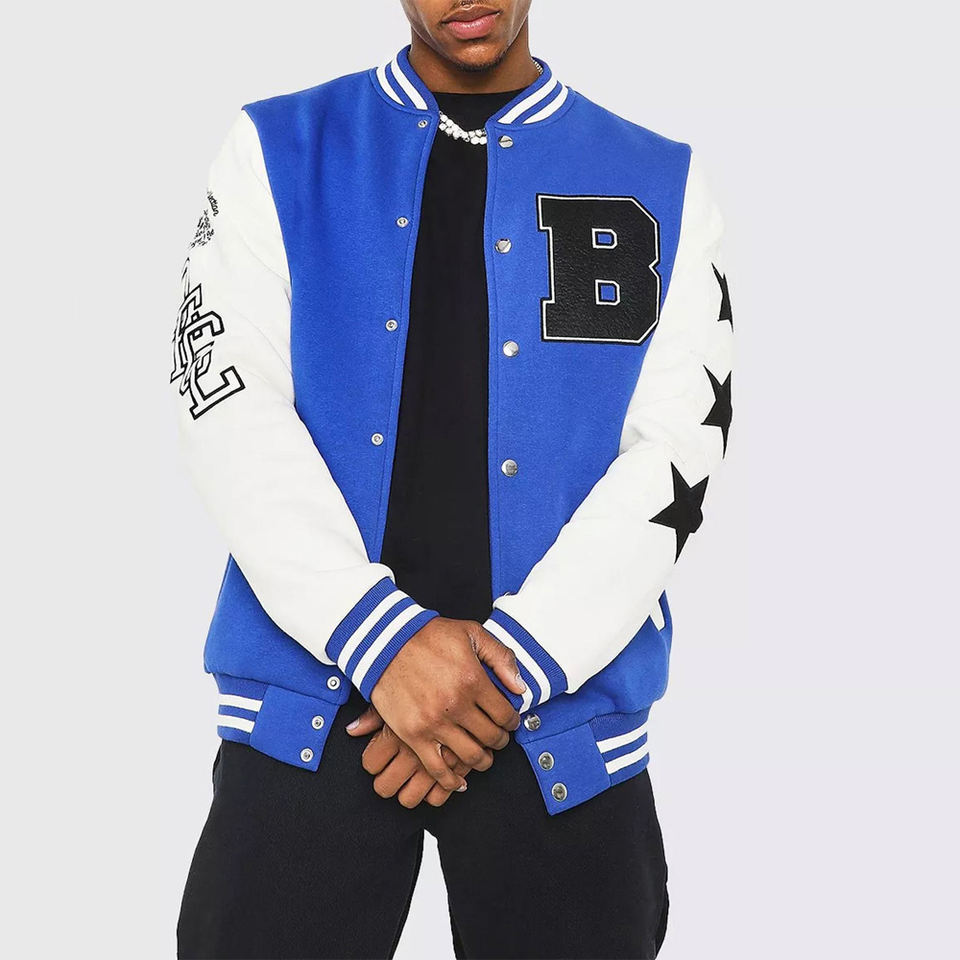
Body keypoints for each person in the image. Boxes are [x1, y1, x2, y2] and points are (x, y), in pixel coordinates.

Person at [172, 1, 734, 956]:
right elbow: (224, 403)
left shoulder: (660, 178)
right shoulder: (279, 148)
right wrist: (384, 643)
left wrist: (505, 671)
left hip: (561, 727)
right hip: (311, 711)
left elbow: (680, 447)